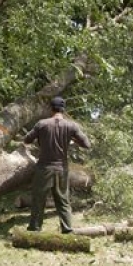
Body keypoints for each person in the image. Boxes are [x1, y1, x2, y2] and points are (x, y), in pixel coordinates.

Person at [23, 96, 90, 233]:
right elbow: (86, 144)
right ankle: (67, 228)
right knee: (63, 200)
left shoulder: (42, 124)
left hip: (44, 167)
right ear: (63, 109)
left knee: (38, 199)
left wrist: (41, 137)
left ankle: (35, 228)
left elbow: (27, 139)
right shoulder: (71, 125)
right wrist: (72, 138)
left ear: (50, 108)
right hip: (61, 168)